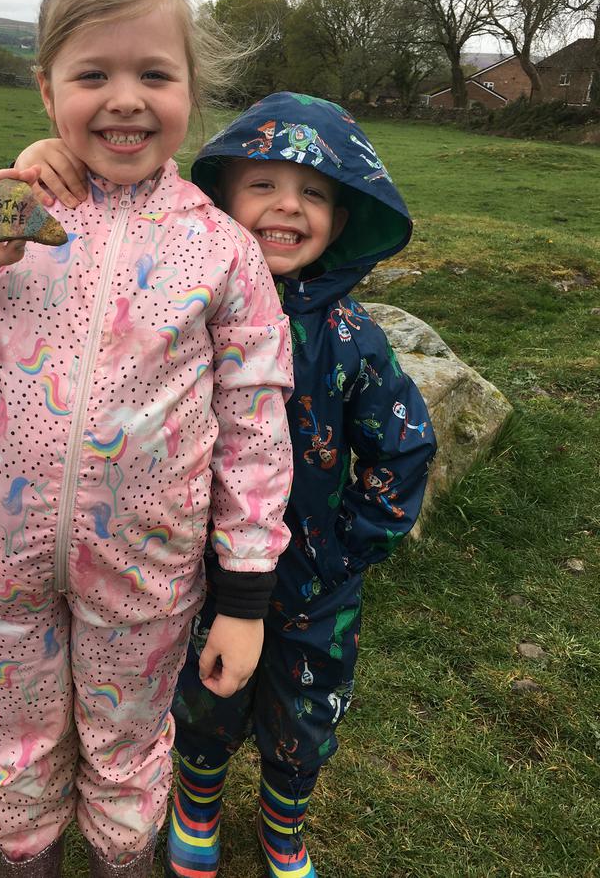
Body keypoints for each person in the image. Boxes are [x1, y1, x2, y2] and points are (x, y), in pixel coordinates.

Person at [0, 0, 295, 878]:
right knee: (14, 740)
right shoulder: (4, 215)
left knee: (126, 741)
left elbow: (257, 427)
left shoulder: (223, 251)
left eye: (155, 73)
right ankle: (27, 857)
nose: (126, 99)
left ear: (192, 88)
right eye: (93, 74)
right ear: (45, 87)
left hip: (146, 571)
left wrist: (247, 595)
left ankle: (121, 859)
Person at [164, 93, 437, 878]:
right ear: (221, 198)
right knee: (204, 698)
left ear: (343, 219)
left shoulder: (355, 339)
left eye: (314, 193)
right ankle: (197, 803)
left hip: (317, 587)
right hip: (200, 571)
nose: (289, 206)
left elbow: (404, 448)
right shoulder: (190, 316)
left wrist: (342, 551)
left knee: (306, 714)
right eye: (265, 185)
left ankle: (284, 824)